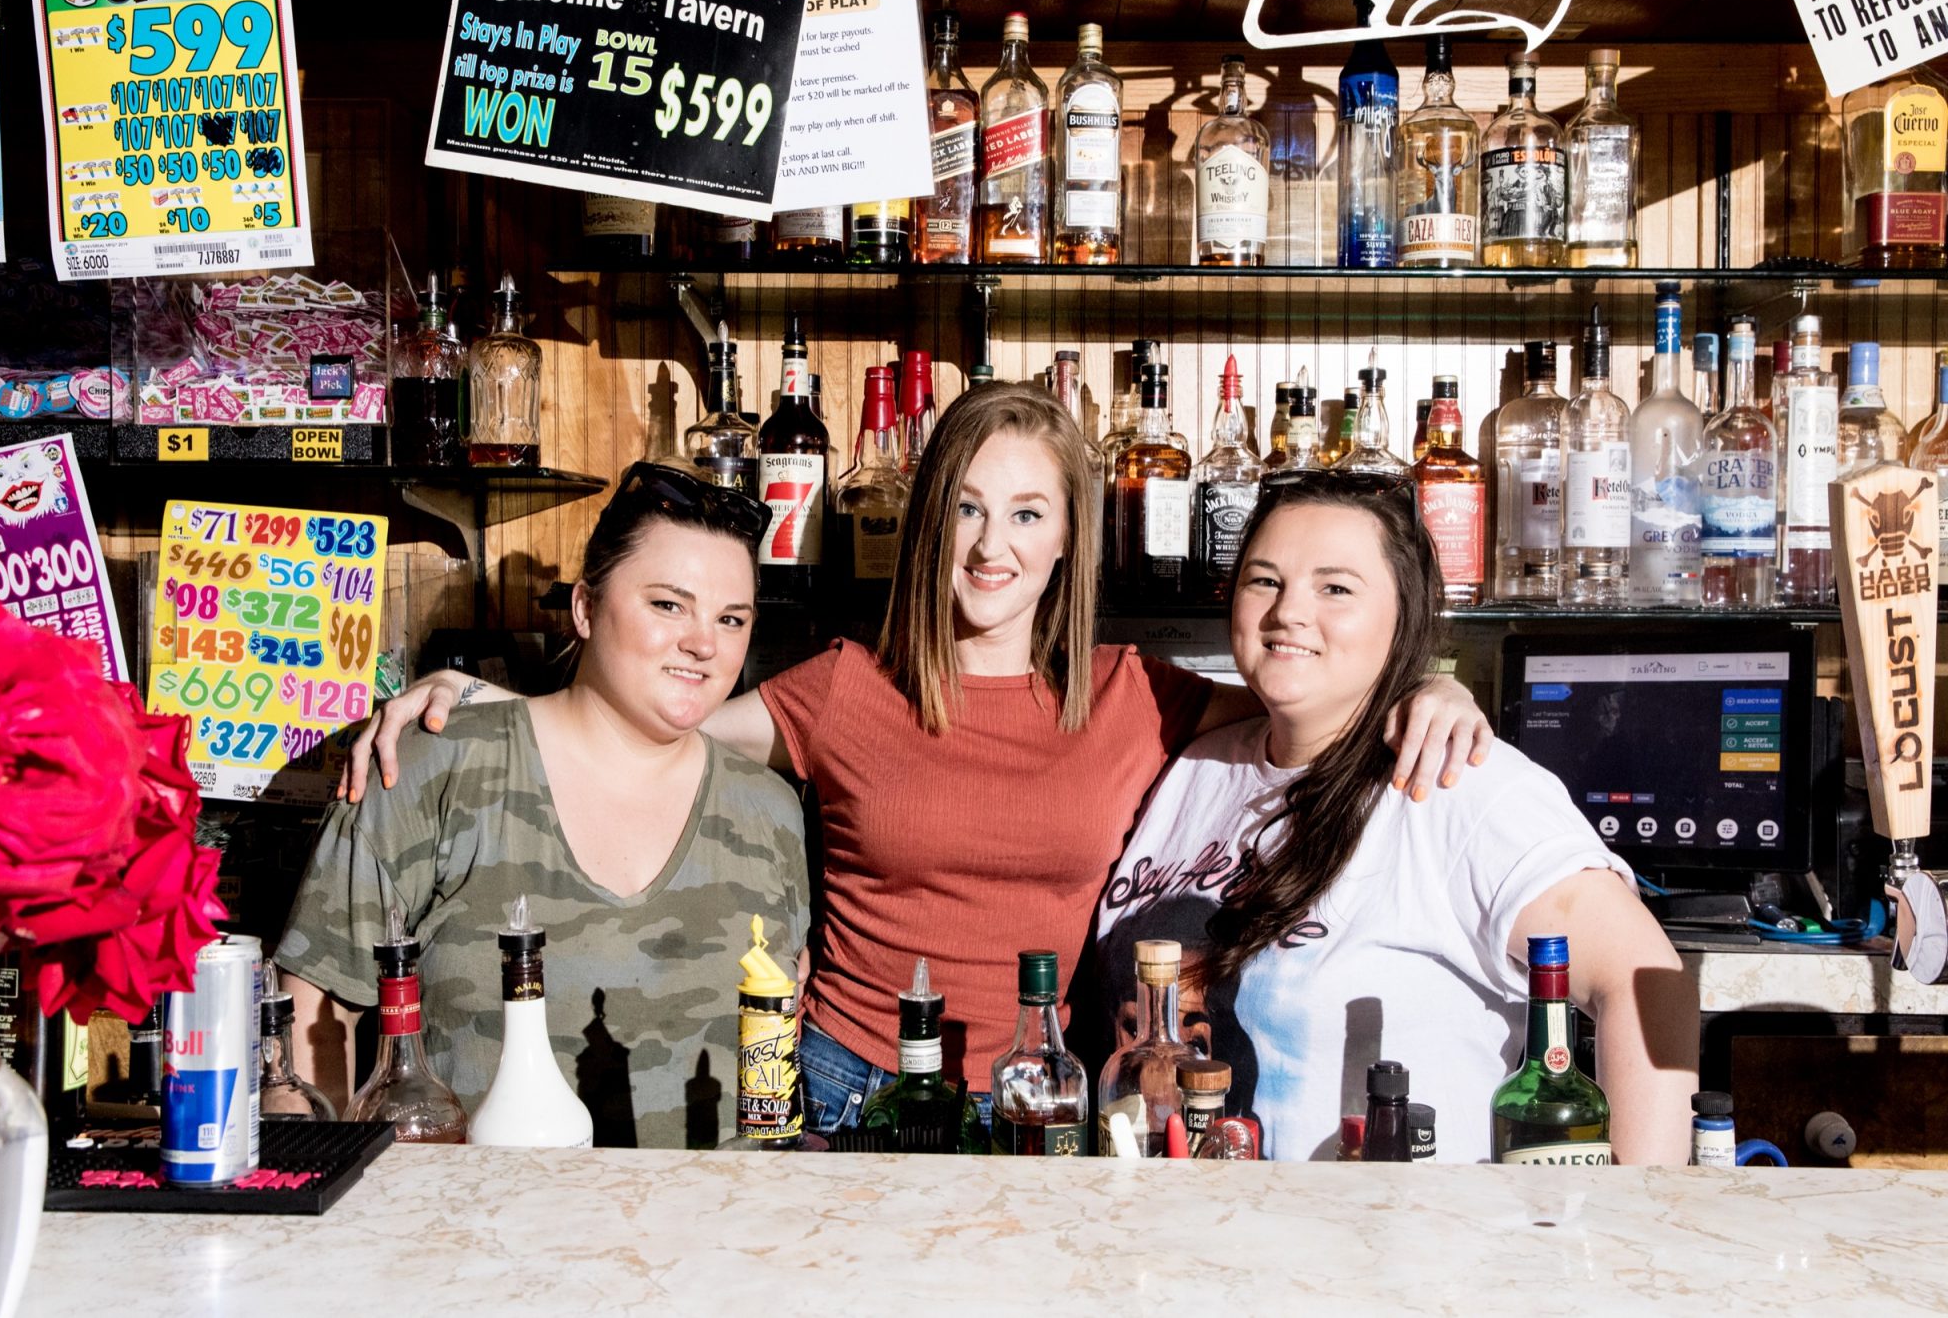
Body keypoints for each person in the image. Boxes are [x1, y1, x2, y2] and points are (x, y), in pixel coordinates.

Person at [346, 384, 1494, 1136]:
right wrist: (492, 696)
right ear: (930, 517)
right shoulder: (845, 684)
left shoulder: (1135, 693)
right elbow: (654, 711)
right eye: (968, 511)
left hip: (1048, 1097)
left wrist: (1426, 684)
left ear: (1068, 538)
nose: (994, 547)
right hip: (843, 1086)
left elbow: (1305, 689)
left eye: (1030, 515)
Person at [1097, 472, 1698, 1164]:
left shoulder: (1453, 780)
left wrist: (1642, 1211)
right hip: (1171, 1248)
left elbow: (1646, 979)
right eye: (1265, 580)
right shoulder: (1197, 767)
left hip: (1385, 1260)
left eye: (1336, 588)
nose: (1289, 611)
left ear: (1403, 615)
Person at [277, 463, 810, 1150]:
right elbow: (312, 1017)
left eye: (730, 618)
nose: (704, 642)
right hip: (473, 1242)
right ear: (585, 607)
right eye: (668, 605)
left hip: (709, 1242)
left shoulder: (768, 812)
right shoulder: (437, 767)